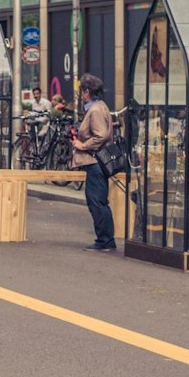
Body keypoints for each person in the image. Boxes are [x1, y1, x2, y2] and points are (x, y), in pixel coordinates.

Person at [70, 73, 117, 252]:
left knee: (96, 201)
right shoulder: (100, 107)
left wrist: (82, 145)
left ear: (87, 92)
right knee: (99, 201)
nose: (81, 95)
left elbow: (101, 134)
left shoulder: (96, 110)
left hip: (95, 161)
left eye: (82, 91)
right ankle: (106, 238)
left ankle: (104, 239)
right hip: (97, 161)